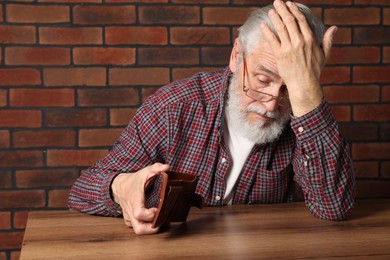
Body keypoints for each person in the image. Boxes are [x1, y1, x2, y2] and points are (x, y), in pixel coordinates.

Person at [68, 0, 356, 235]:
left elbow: (333, 207)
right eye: (261, 79)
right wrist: (121, 188)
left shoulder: (303, 116)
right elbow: (81, 191)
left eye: (289, 87)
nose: (270, 104)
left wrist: (306, 94)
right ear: (236, 56)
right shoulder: (173, 107)